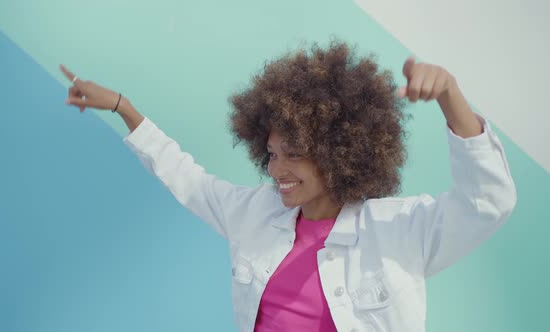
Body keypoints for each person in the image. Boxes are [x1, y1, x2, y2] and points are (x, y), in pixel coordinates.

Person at [60, 39, 516, 332]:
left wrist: (449, 94)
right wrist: (123, 107)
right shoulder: (255, 214)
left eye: (295, 154)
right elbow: (187, 178)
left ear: (341, 149)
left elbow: (488, 202)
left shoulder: (400, 229)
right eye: (273, 154)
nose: (278, 169)